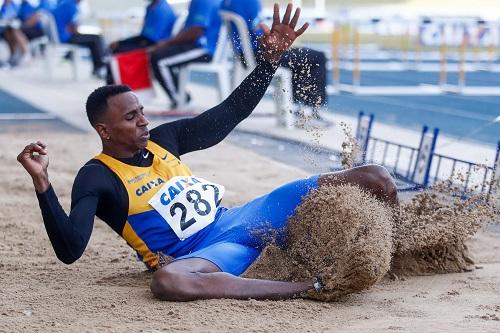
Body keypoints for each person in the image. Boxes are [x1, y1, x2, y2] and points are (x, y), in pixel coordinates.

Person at [18, 4, 398, 301]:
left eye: (142, 112)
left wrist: (267, 63)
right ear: (104, 130)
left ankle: (401, 248)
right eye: (132, 117)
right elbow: (70, 249)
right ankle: (310, 289)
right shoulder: (97, 177)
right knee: (169, 281)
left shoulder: (163, 140)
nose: (143, 122)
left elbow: (229, 114)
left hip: (246, 216)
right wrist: (43, 184)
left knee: (374, 176)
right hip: (212, 252)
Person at [221, 0, 330, 126]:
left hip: (243, 53)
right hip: (261, 53)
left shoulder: (226, 2)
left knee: (299, 57)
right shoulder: (249, 2)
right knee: (318, 57)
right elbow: (260, 31)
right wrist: (276, 42)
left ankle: (297, 105)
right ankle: (308, 110)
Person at [148, 0, 222, 108]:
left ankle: (181, 102)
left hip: (204, 49)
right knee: (159, 55)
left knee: (159, 59)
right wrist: (167, 44)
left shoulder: (204, 1)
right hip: (195, 45)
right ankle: (183, 98)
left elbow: (195, 32)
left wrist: (166, 43)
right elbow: (188, 30)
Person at [106, 0, 177, 84]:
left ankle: (117, 89)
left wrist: (123, 44)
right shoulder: (150, 8)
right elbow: (143, 36)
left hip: (155, 45)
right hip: (146, 41)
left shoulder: (163, 10)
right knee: (115, 47)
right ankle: (111, 90)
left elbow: (150, 40)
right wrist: (120, 42)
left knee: (118, 51)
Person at [51, 0, 107, 77]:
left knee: (92, 39)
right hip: (66, 38)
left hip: (60, 36)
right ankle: (100, 66)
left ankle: (98, 67)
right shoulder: (71, 6)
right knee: (96, 38)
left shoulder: (64, 3)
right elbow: (73, 28)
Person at [1, 0, 47, 66]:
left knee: (15, 30)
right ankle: (13, 56)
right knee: (8, 30)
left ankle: (26, 54)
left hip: (37, 29)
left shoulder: (34, 4)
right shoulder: (19, 6)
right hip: (23, 27)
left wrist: (22, 26)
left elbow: (36, 16)